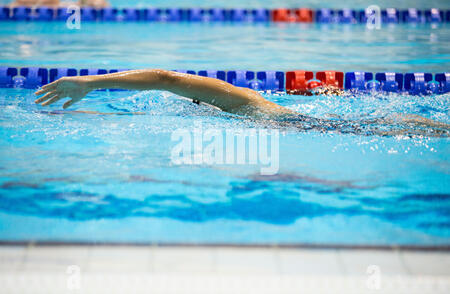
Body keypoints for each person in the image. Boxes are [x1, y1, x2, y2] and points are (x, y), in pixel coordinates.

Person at [34, 69, 449, 137]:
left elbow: (165, 79)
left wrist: (87, 82)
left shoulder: (236, 98)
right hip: (297, 124)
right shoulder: (209, 109)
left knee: (387, 127)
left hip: (300, 125)